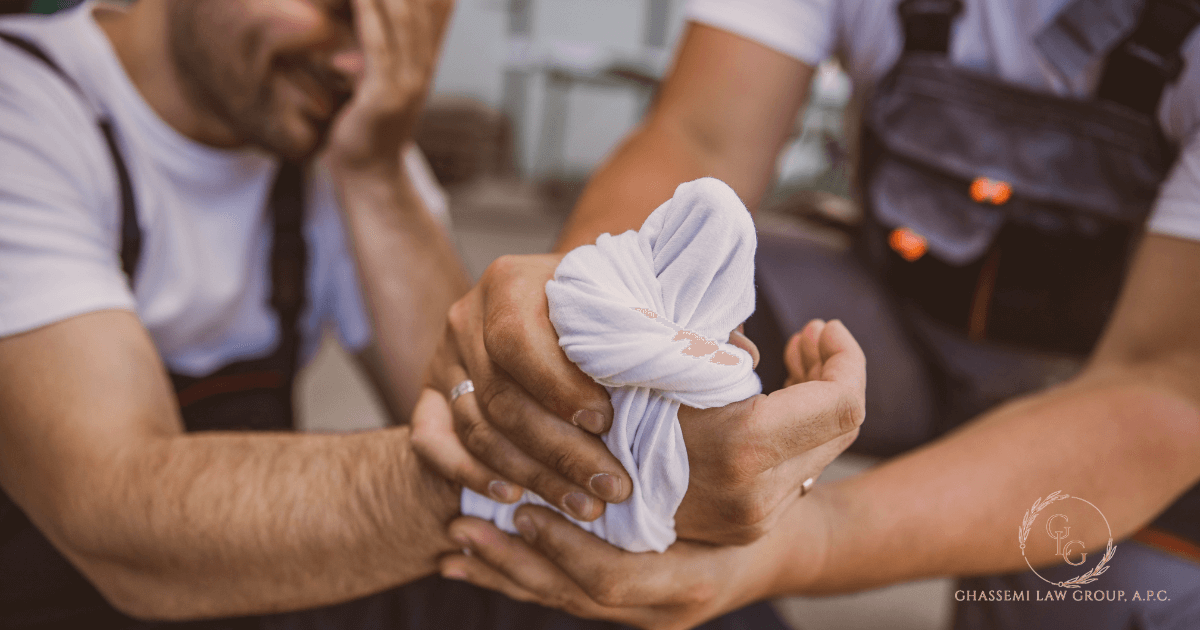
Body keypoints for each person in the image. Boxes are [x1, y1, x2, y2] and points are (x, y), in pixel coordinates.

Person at [0, 1, 865, 628]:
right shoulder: (26, 110)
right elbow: (113, 520)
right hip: (76, 592)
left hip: (242, 591)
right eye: (337, 10)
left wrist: (374, 172)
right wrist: (546, 478)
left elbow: (470, 386)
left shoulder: (337, 130)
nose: (358, 63)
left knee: (648, 598)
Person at [414, 0, 1200, 628]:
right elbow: (698, 134)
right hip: (893, 333)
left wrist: (807, 541)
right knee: (653, 388)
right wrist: (582, 314)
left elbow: (1164, 381)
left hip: (1114, 380)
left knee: (1106, 597)